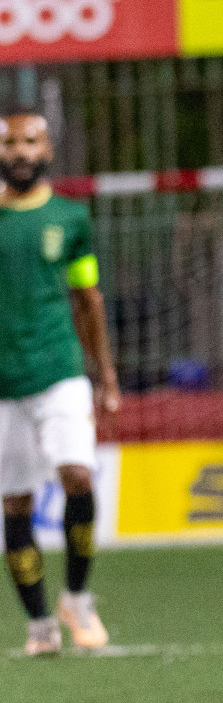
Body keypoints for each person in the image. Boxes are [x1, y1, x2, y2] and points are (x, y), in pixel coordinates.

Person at [0, 109, 118, 656]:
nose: (20, 151)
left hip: (60, 370)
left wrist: (105, 373)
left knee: (77, 475)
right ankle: (39, 623)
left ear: (47, 151)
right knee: (15, 503)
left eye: (30, 142)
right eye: (9, 142)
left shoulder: (71, 219)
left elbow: (86, 297)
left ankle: (78, 595)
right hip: (4, 383)